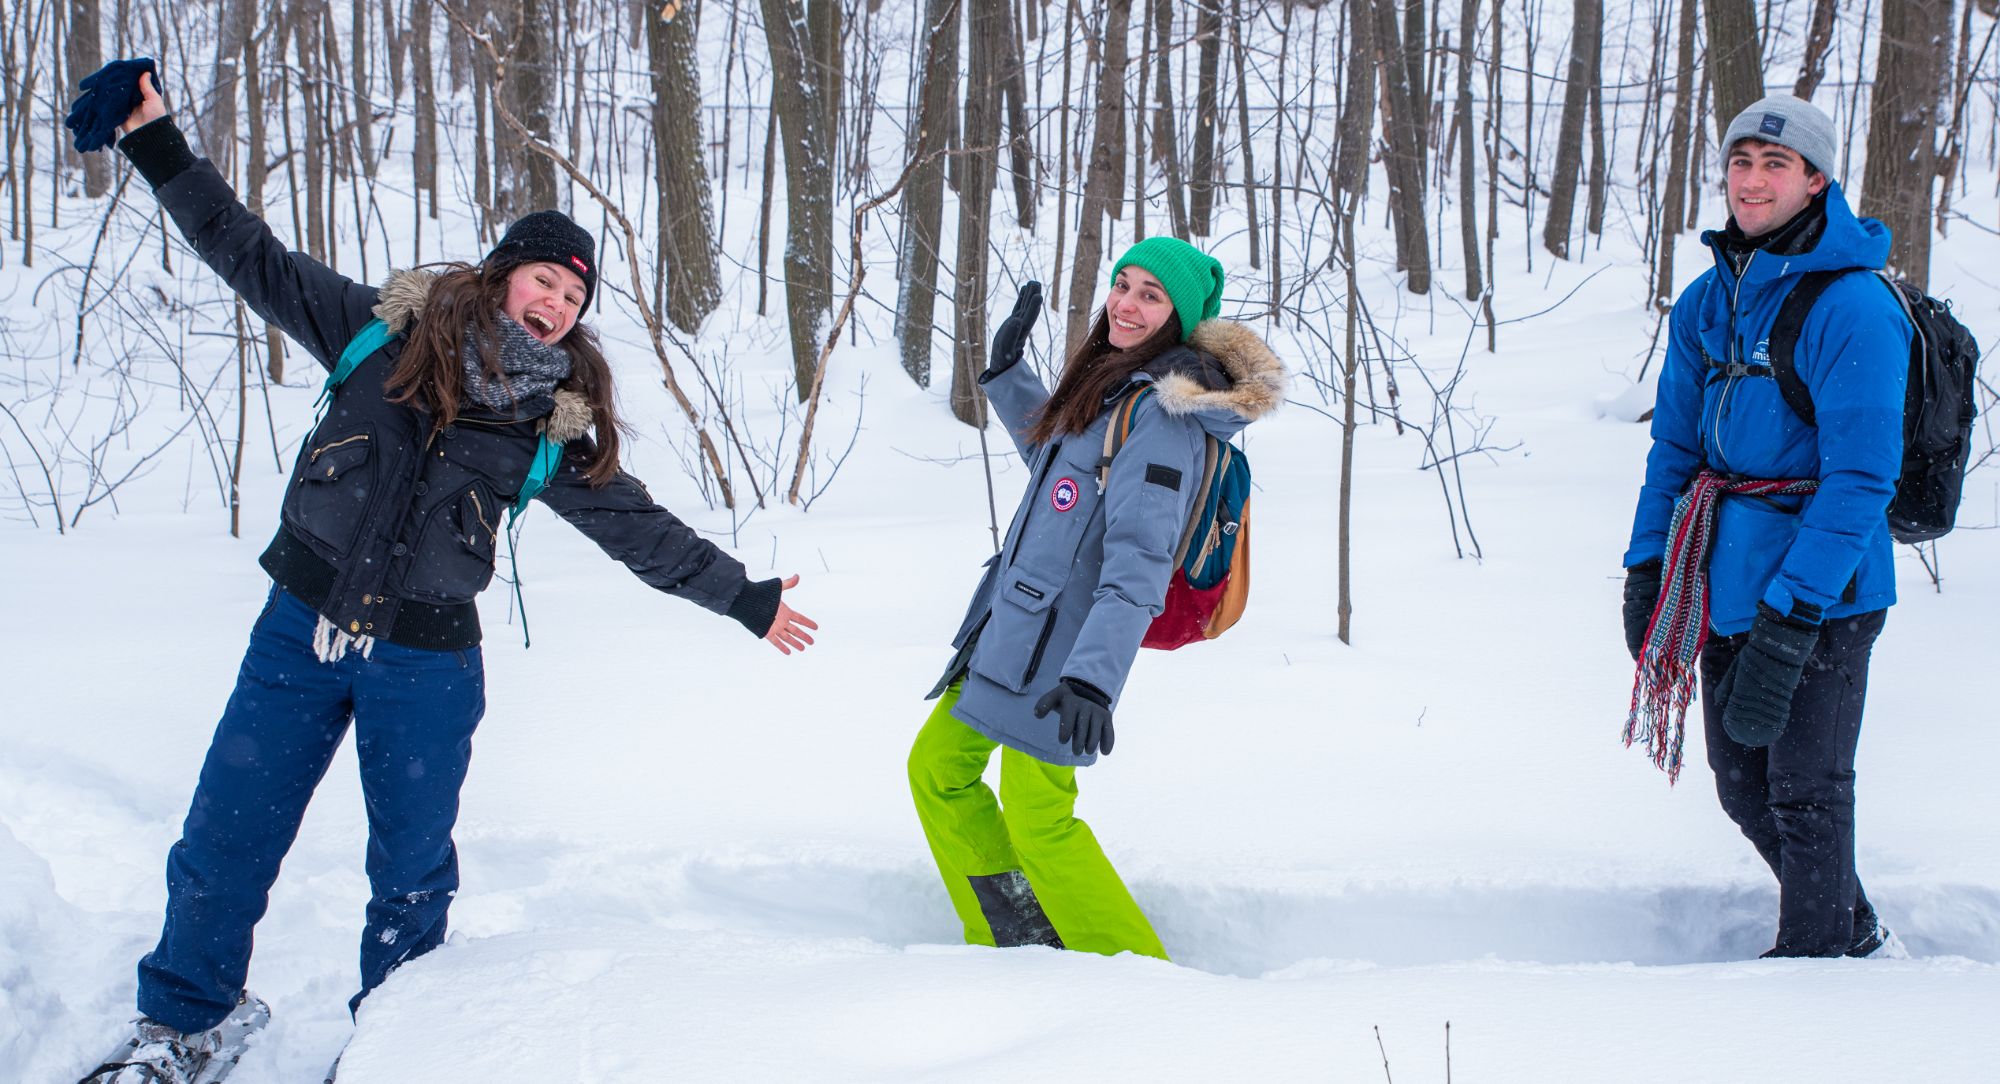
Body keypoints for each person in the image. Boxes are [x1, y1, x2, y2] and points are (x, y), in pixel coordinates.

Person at [76, 72, 818, 1081]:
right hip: (299, 631)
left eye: (573, 295)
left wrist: (743, 595)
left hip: (425, 668)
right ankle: (184, 1024)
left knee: (411, 879)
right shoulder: (376, 334)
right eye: (545, 280)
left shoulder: (547, 424)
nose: (556, 304)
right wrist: (156, 141)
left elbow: (637, 529)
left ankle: (398, 1048)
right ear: (504, 270)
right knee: (223, 841)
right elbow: (242, 249)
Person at [908, 238, 1284, 960]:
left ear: (1181, 316)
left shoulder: (1164, 416)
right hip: (1013, 627)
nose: (1127, 302)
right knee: (938, 769)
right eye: (1123, 283)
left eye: (1151, 294)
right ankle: (1015, 934)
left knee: (1039, 812)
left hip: (1068, 648)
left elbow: (1140, 558)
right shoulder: (1118, 387)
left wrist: (1093, 678)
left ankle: (1137, 978)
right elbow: (1066, 470)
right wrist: (1010, 375)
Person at [1622, 94, 1908, 959]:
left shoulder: (1854, 308)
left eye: (1775, 165)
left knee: (1806, 790)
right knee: (1743, 783)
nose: (1752, 181)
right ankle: (1852, 930)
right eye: (1741, 163)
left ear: (1817, 180)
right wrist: (1646, 565)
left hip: (1827, 589)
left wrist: (1795, 614)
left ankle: (1814, 970)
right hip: (1721, 573)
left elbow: (1862, 479)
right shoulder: (1710, 299)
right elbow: (1674, 445)